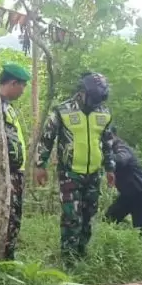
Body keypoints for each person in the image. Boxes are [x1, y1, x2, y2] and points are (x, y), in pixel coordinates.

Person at [35, 72, 115, 264]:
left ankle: (81, 252)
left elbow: (108, 142)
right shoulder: (62, 111)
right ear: (83, 92)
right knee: (72, 216)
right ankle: (68, 258)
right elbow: (47, 138)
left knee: (88, 215)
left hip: (94, 173)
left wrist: (110, 168)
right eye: (94, 97)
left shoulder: (104, 114)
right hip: (70, 173)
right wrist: (40, 164)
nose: (96, 102)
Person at [0, 63, 31, 260]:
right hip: (5, 173)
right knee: (7, 219)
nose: (24, 90)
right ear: (13, 83)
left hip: (14, 172)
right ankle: (4, 260)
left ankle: (8, 258)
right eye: (23, 85)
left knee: (14, 218)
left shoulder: (7, 107)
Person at [105, 135, 142, 234]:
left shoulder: (121, 147)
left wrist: (105, 157)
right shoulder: (112, 149)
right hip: (127, 195)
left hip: (141, 195)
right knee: (108, 220)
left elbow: (121, 160)